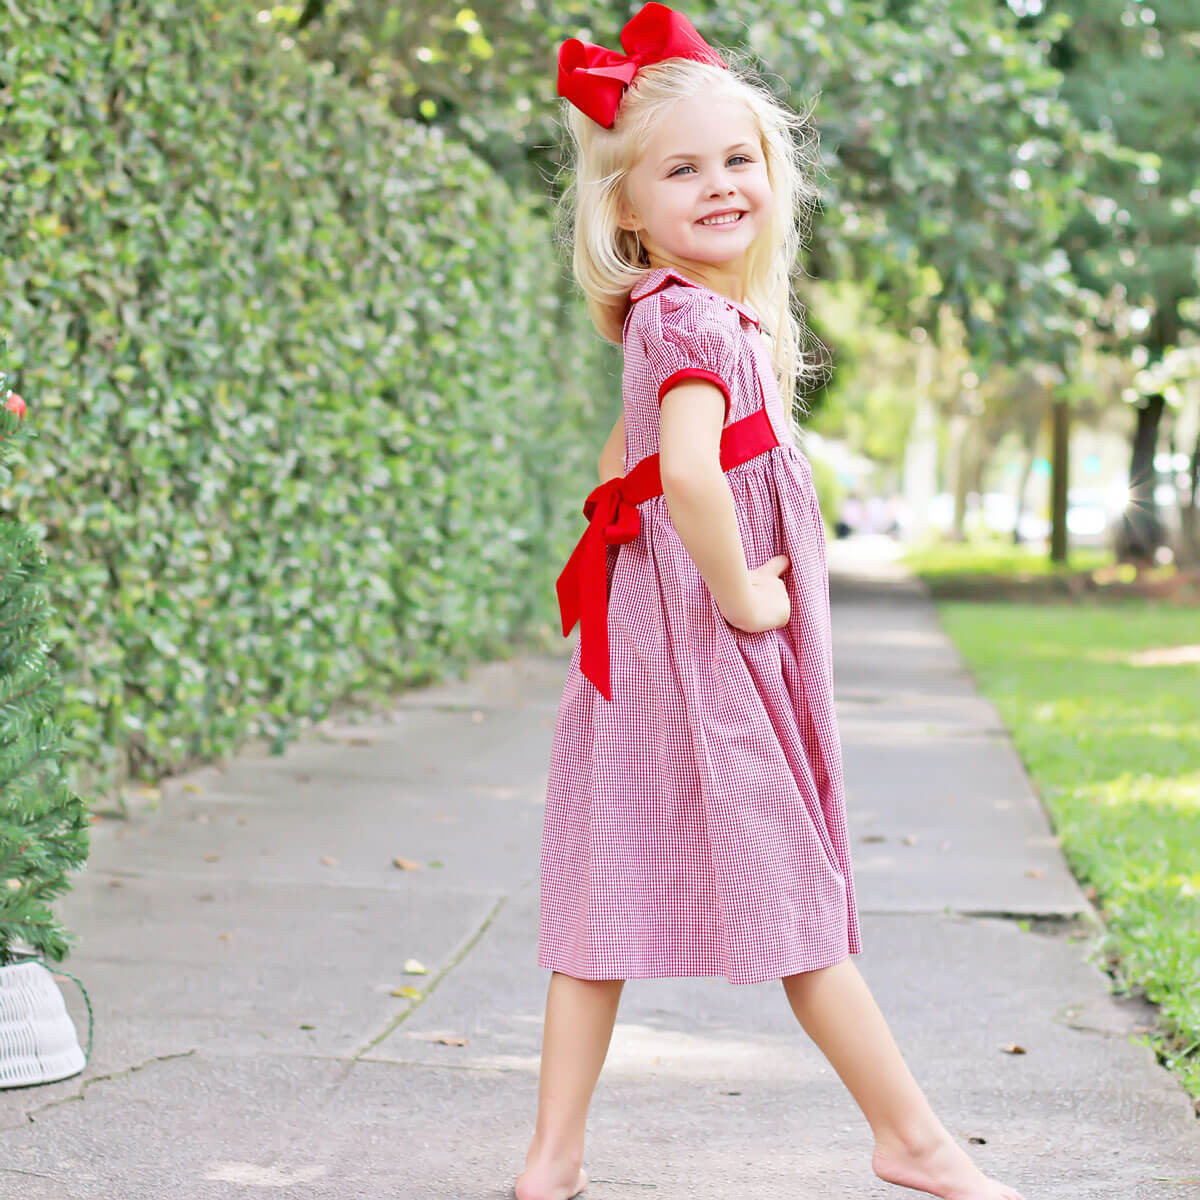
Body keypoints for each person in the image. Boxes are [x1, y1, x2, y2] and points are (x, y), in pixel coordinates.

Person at [516, 7, 1026, 1200]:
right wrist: (742, 591)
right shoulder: (698, 320)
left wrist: (636, 587)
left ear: (771, 173)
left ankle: (552, 1158)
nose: (720, 185)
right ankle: (910, 1140)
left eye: (737, 159)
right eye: (682, 170)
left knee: (602, 888)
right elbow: (690, 474)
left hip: (647, 647)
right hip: (708, 650)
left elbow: (623, 465)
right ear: (625, 207)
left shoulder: (670, 314)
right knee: (795, 885)